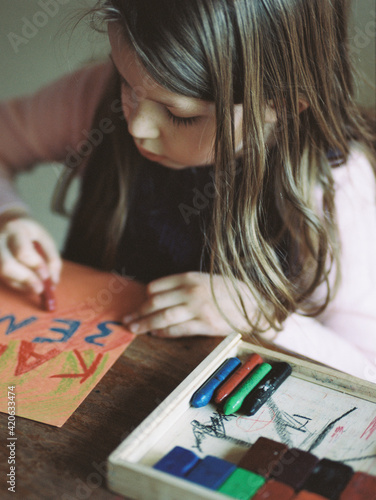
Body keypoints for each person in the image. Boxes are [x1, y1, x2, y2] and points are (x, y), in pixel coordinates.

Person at [0, 0, 375, 380]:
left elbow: (366, 367)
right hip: (69, 374)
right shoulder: (95, 95)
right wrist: (9, 217)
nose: (138, 127)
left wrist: (261, 317)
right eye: (126, 85)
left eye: (181, 114)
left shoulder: (336, 184)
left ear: (278, 105)